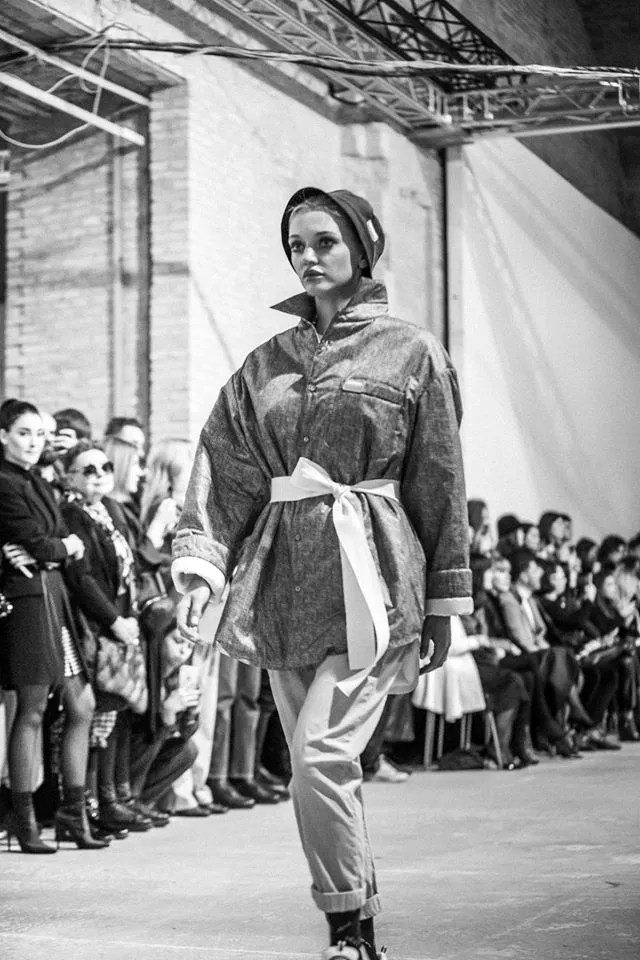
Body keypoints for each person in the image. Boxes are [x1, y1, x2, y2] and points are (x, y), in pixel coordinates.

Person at [171, 186, 472, 960]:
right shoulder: (264, 364)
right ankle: (359, 929)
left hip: (376, 575)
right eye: (295, 245)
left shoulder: (412, 351)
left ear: (362, 248)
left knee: (320, 755)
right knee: (324, 769)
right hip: (283, 583)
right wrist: (202, 563)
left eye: (324, 242)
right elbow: (224, 465)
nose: (306, 257)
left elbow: (438, 479)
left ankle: (343, 924)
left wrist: (447, 601)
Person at [0, 400, 135, 853]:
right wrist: (60, 547)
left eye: (39, 434)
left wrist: (54, 547)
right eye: (24, 433)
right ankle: (23, 820)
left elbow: (47, 542)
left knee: (83, 705)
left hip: (53, 598)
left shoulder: (39, 480)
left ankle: (72, 814)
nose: (34, 442)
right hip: (28, 600)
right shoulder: (4, 481)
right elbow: (43, 543)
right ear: (3, 436)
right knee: (32, 709)